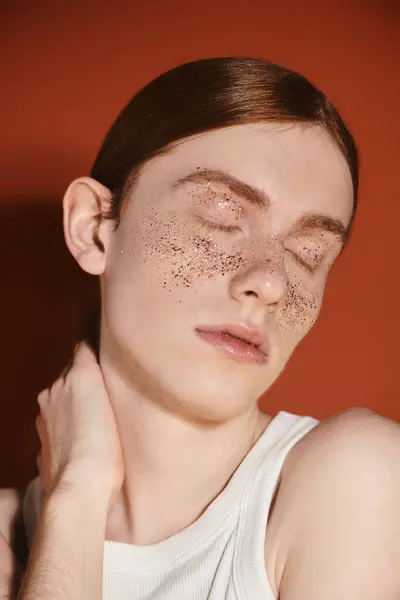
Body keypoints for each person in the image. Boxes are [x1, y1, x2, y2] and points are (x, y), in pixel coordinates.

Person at [1, 57, 399, 600]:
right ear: (93, 228)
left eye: (309, 254)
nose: (271, 281)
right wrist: (76, 498)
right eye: (222, 217)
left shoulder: (359, 478)